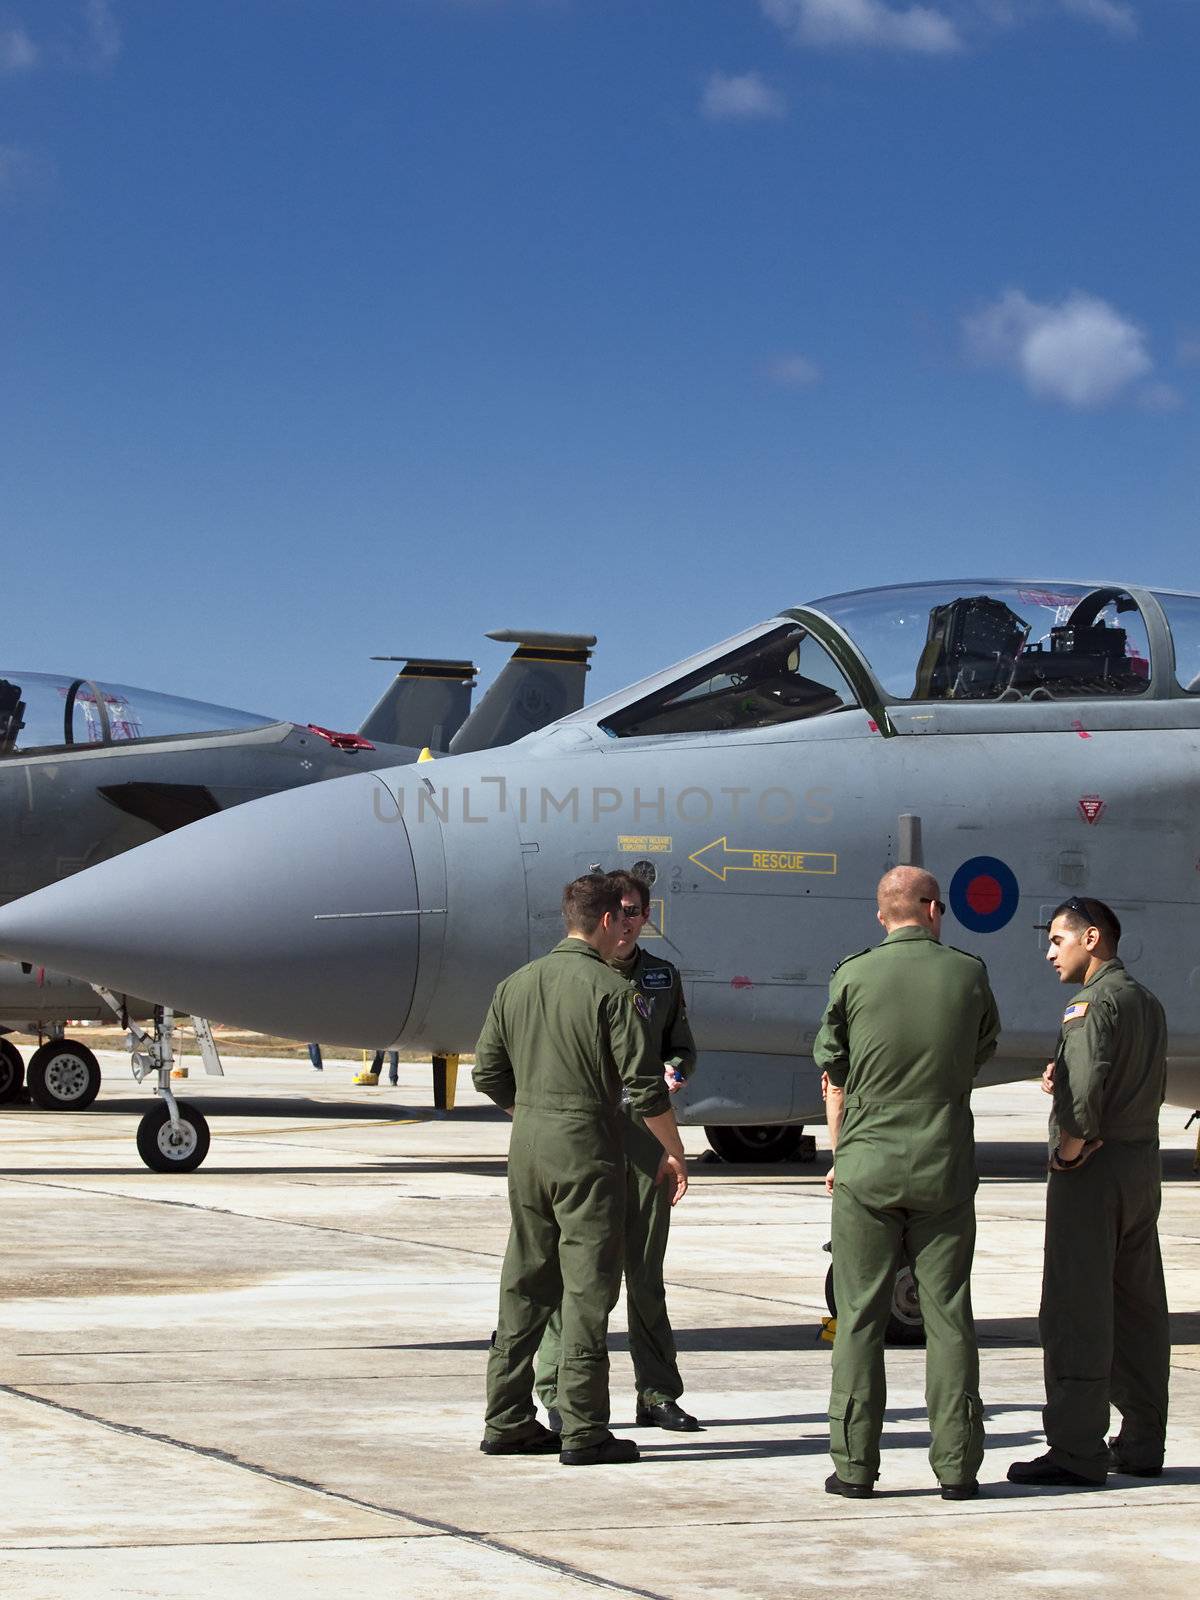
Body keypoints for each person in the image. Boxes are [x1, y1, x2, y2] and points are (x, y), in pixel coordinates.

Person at [473, 874, 689, 1466]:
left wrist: (535, 1113)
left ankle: (507, 1416)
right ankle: (586, 1428)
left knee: (525, 1280)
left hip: (529, 1146)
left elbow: (487, 1074)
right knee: (589, 1285)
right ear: (602, 921)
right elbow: (645, 1087)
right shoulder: (609, 991)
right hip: (585, 1147)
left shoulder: (515, 985)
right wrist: (673, 1149)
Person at [813, 866, 1000, 1500]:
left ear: (882, 914)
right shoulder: (967, 972)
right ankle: (956, 1469)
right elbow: (981, 1048)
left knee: (860, 1316)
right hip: (944, 1160)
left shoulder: (853, 972)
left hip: (867, 1162)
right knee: (949, 1315)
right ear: (932, 909)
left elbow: (831, 1063)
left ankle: (855, 1466)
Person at [1008, 896, 1169, 1489]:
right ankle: (1143, 1440)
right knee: (1139, 1307)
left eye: (1058, 940)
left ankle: (1076, 1449)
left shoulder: (1089, 1002)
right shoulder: (1144, 1000)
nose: (1050, 953)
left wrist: (1067, 1149)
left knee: (1076, 1309)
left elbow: (1086, 1092)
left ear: (1092, 939)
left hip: (1093, 1175)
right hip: (1138, 1169)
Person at [535, 869, 700, 1434]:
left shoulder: (660, 977)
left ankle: (657, 1391)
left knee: (646, 1271)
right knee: (580, 1275)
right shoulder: (582, 975)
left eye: (638, 911)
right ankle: (558, 1389)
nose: (629, 921)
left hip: (646, 1138)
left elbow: (681, 1046)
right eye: (621, 911)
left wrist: (675, 1071)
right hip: (591, 1140)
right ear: (605, 915)